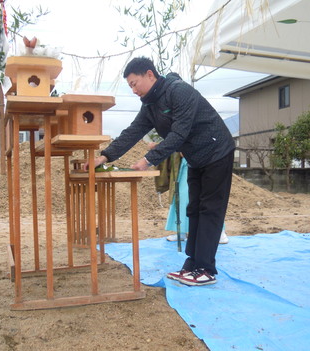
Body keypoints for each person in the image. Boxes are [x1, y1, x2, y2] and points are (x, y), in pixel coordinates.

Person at [88, 57, 235, 286]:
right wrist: (105, 156)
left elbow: (179, 133)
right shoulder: (150, 105)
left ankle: (206, 269)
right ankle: (192, 263)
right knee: (193, 209)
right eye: (130, 87)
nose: (134, 90)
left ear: (149, 74)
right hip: (196, 157)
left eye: (135, 83)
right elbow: (133, 132)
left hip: (217, 151)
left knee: (210, 210)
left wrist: (148, 159)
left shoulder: (179, 91)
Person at [164, 156, 229, 245]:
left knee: (209, 198)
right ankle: (182, 231)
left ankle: (220, 232)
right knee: (182, 196)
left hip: (207, 161)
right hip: (188, 163)